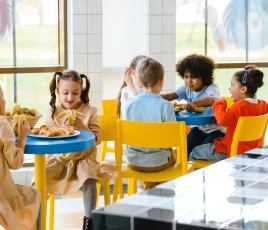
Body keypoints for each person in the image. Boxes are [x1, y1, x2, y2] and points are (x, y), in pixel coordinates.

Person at [45, 70, 118, 230]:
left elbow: (98, 138)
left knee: (90, 179)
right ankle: (37, 223)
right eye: (65, 93)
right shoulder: (53, 111)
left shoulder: (89, 111)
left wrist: (84, 128)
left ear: (81, 92)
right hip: (60, 161)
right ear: (58, 91)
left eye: (75, 93)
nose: (70, 97)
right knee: (38, 179)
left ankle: (89, 222)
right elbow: (46, 138)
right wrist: (58, 130)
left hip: (84, 161)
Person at [189, 65, 268, 162]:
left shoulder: (240, 106)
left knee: (195, 151)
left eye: (232, 85)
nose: (229, 88)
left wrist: (219, 102)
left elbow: (223, 119)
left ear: (243, 89)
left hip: (231, 151)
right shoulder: (263, 105)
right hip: (253, 151)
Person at [124, 57, 177, 190]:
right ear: (161, 81)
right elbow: (173, 140)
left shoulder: (129, 106)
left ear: (140, 81)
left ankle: (148, 186)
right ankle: (161, 193)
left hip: (134, 160)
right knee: (172, 157)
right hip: (159, 162)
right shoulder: (166, 106)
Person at [161, 54, 226, 155]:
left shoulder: (211, 87)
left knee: (202, 152)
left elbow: (213, 99)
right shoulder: (186, 88)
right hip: (197, 128)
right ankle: (187, 170)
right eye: (186, 77)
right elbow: (168, 96)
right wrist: (150, 96)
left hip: (216, 130)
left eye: (194, 77)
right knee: (184, 151)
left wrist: (194, 103)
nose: (189, 81)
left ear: (204, 77)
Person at [0, 86, 41, 230]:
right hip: (3, 197)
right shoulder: (3, 126)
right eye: (3, 96)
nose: (5, 101)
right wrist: (22, 138)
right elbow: (15, 163)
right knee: (34, 195)